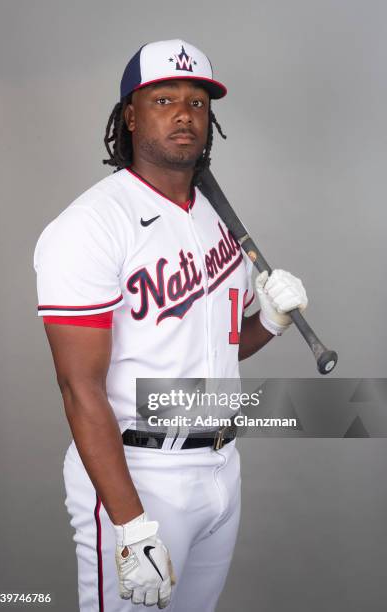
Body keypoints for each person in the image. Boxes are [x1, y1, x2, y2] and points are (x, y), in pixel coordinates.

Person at [34, 39, 307, 611]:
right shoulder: (91, 225)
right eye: (164, 99)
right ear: (130, 115)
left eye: (198, 101)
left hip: (221, 465)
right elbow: (79, 387)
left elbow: (218, 349)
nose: (185, 113)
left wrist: (272, 322)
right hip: (138, 473)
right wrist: (131, 524)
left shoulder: (217, 217)